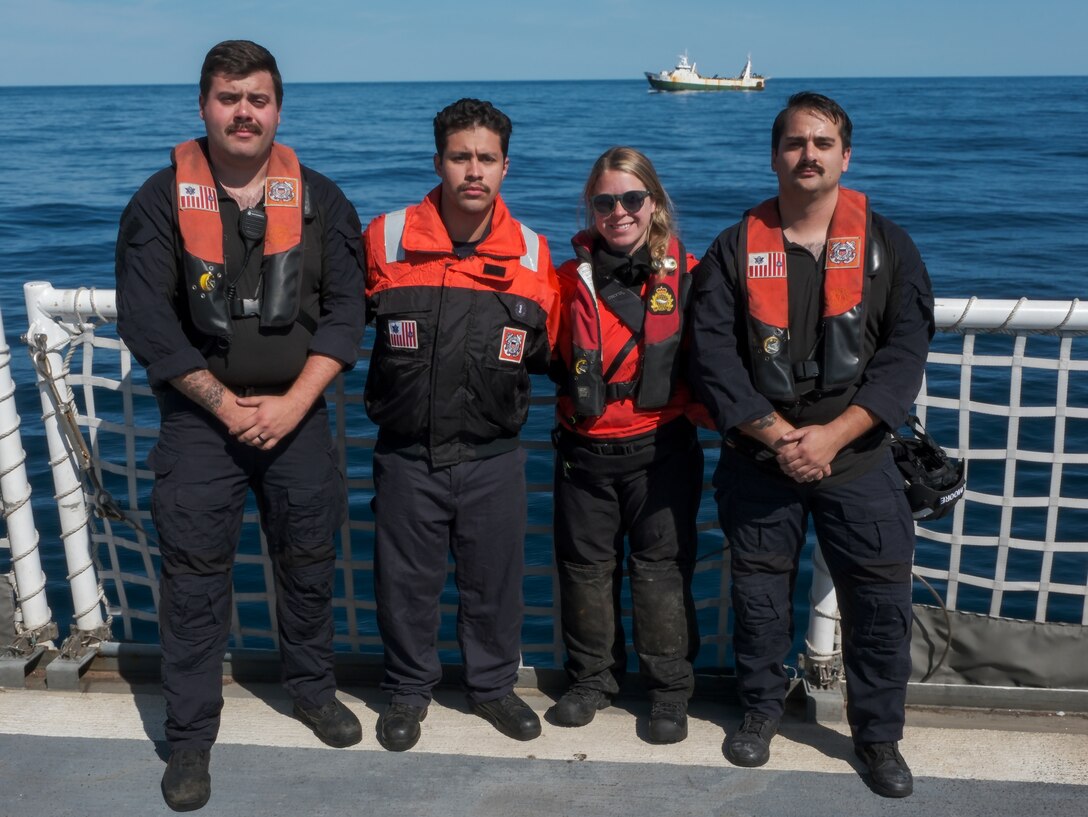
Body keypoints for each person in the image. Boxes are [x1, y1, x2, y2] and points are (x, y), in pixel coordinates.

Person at [115, 40, 365, 812]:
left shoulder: (322, 199)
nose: (244, 112)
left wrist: (293, 404)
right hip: (200, 422)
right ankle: (189, 739)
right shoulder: (159, 202)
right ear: (203, 107)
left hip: (297, 414)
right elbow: (148, 323)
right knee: (193, 582)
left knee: (309, 562)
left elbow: (349, 312)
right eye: (229, 98)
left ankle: (312, 690)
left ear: (278, 108)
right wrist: (223, 405)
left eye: (258, 98)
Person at [688, 92, 934, 798]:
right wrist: (775, 434)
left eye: (822, 143)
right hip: (761, 460)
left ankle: (878, 736)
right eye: (795, 143)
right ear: (774, 156)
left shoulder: (889, 248)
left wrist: (833, 435)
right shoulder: (734, 250)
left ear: (844, 156)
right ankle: (760, 711)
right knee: (759, 597)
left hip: (856, 457)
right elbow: (713, 356)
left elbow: (903, 356)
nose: (808, 155)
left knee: (880, 606)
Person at [362, 98, 560, 752]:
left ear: (506, 166)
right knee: (404, 582)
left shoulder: (534, 253)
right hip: (406, 453)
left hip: (493, 455)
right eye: (460, 156)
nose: (473, 170)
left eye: (487, 158)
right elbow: (332, 323)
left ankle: (494, 686)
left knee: (494, 583)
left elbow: (549, 348)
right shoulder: (385, 238)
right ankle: (408, 688)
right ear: (438, 160)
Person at [549, 147, 703, 743]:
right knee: (585, 571)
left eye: (632, 199)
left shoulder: (689, 275)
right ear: (591, 208)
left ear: (654, 204)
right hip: (584, 453)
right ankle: (592, 682)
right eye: (606, 201)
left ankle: (669, 694)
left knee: (661, 572)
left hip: (661, 450)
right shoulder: (563, 280)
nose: (619, 211)